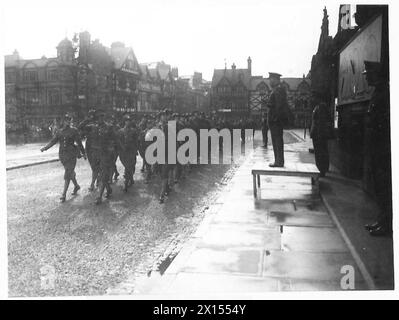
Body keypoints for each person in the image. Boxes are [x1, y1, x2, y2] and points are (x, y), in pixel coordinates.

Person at [362, 60, 392, 236]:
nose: (366, 78)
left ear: (375, 75)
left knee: (384, 186)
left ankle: (386, 224)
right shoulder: (378, 92)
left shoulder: (384, 93)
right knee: (379, 186)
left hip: (382, 148)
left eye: (368, 75)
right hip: (376, 146)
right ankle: (382, 220)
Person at [40, 113, 86, 202]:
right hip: (63, 156)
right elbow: (53, 141)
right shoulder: (59, 131)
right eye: (66, 120)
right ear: (63, 121)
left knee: (67, 174)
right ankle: (76, 186)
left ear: (71, 121)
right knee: (70, 172)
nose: (67, 122)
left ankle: (63, 194)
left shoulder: (74, 131)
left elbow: (79, 143)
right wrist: (45, 148)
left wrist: (84, 153)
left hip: (72, 155)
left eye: (69, 120)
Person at [95, 111, 119, 204]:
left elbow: (115, 138)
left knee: (103, 175)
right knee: (99, 174)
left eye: (101, 118)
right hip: (97, 154)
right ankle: (108, 189)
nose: (100, 119)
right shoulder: (95, 128)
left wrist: (113, 148)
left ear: (103, 118)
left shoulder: (109, 127)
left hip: (107, 154)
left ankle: (99, 196)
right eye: (98, 118)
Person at [267, 72, 288, 167]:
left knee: (277, 141)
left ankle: (279, 161)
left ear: (275, 80)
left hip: (276, 121)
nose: (269, 81)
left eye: (271, 79)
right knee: (276, 141)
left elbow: (279, 106)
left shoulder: (278, 90)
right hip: (275, 120)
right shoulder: (277, 90)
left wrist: (275, 119)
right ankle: (278, 160)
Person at [78, 109, 101, 191]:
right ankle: (98, 178)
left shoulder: (97, 124)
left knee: (95, 166)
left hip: (97, 146)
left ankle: (92, 183)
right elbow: (80, 127)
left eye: (92, 115)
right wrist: (86, 120)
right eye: (90, 115)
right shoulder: (88, 124)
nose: (91, 116)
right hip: (89, 146)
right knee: (93, 165)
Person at [310, 102, 333, 177]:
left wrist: (318, 134)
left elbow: (319, 122)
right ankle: (324, 168)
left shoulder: (320, 108)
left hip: (318, 134)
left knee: (319, 153)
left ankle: (321, 170)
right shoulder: (322, 107)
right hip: (319, 134)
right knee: (322, 151)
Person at [117, 115, 139, 192]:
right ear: (124, 121)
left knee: (129, 166)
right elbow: (118, 141)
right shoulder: (120, 131)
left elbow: (136, 141)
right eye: (126, 120)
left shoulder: (134, 131)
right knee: (128, 166)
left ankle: (126, 183)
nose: (128, 122)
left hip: (131, 151)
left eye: (129, 121)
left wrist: (136, 150)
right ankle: (131, 179)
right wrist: (121, 147)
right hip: (123, 152)